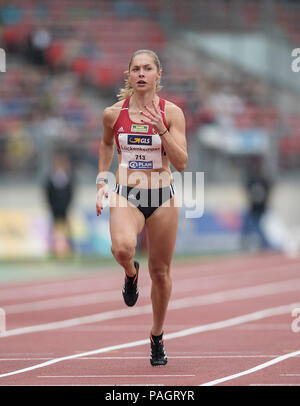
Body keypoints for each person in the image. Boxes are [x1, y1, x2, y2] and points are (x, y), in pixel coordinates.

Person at [96, 49, 187, 366]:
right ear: (129, 75)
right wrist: (101, 179)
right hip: (126, 194)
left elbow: (182, 163)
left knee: (161, 273)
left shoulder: (172, 113)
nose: (142, 74)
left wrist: (161, 129)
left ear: (158, 75)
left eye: (148, 68)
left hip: (162, 197)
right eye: (136, 68)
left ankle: (157, 336)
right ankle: (130, 273)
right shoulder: (112, 113)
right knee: (122, 249)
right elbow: (107, 143)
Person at [45, 153, 74, 258]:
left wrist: (67, 205)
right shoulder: (51, 179)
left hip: (65, 209)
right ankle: (54, 250)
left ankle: (68, 249)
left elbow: (70, 194)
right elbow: (48, 194)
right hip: (55, 209)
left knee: (67, 229)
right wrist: (52, 206)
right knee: (54, 230)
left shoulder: (68, 179)